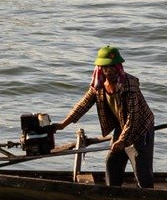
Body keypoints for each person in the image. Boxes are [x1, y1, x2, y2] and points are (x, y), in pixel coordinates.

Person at [60, 45, 155, 187]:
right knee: (112, 162)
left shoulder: (129, 85)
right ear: (100, 68)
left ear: (118, 67)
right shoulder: (99, 85)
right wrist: (62, 125)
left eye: (111, 67)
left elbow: (133, 117)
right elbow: (83, 105)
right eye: (105, 67)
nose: (108, 71)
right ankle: (112, 194)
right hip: (121, 126)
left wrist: (122, 141)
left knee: (140, 165)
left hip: (140, 128)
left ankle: (148, 197)